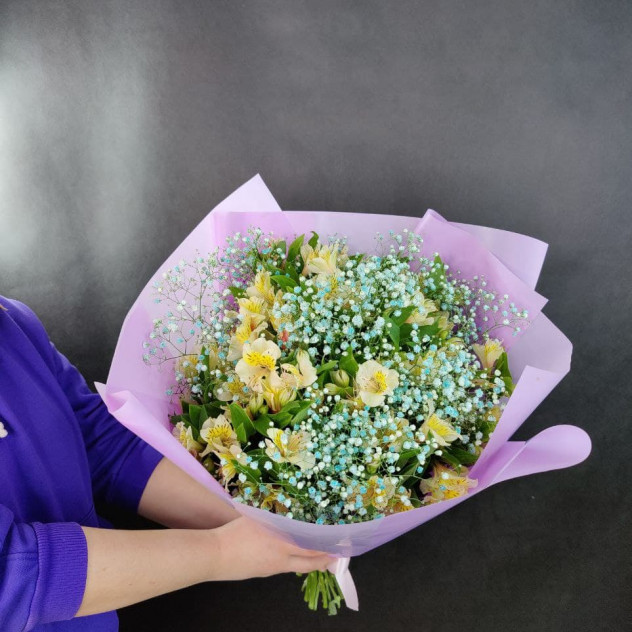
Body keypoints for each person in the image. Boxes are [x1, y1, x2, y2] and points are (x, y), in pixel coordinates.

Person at [0, 296, 333, 631]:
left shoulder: (12, 322)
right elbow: (12, 575)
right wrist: (223, 551)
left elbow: (100, 443)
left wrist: (267, 524)